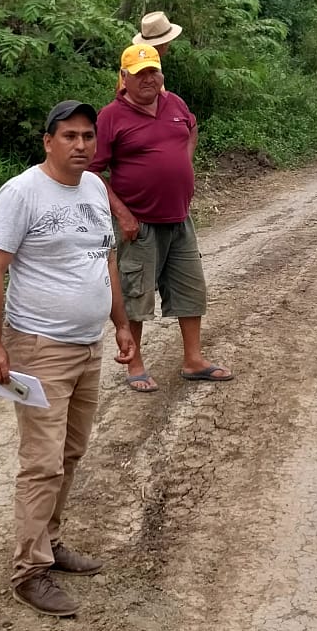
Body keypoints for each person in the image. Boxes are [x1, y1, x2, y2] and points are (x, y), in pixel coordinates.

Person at [0, 100, 137, 617]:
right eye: (69, 136)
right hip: (39, 347)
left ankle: (49, 539)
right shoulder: (21, 193)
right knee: (42, 462)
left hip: (88, 345)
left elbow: (105, 260)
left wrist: (120, 324)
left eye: (88, 136)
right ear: (48, 142)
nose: (80, 145)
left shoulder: (93, 188)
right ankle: (29, 572)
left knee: (70, 453)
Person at [90, 43, 233, 393]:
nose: (148, 79)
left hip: (180, 219)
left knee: (190, 289)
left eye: (153, 71)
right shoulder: (111, 116)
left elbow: (192, 128)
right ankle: (135, 364)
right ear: (124, 78)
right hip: (139, 224)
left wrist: (183, 164)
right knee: (135, 295)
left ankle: (193, 360)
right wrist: (122, 214)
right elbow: (93, 172)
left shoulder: (175, 104)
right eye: (140, 74)